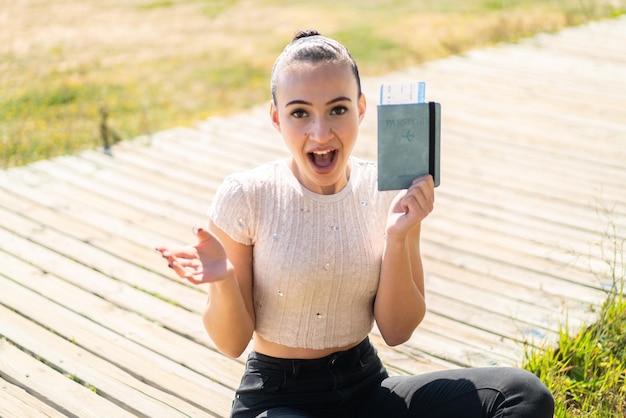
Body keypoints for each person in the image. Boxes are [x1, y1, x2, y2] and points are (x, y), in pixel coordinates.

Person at [157, 29, 554, 418]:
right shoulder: (246, 195)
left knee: (521, 394)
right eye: (300, 113)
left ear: (361, 108)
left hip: (365, 386)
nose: (321, 132)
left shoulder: (387, 189)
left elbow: (397, 330)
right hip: (278, 399)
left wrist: (398, 236)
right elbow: (231, 343)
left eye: (338, 109)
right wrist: (224, 281)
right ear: (277, 118)